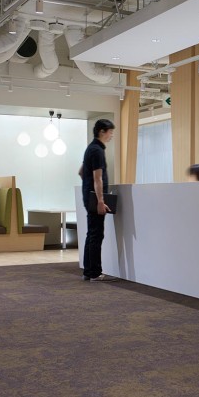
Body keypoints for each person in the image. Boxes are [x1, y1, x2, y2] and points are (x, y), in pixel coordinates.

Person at [81, 118, 117, 282]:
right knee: (96, 234)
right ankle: (94, 272)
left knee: (92, 234)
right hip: (95, 198)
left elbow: (81, 172)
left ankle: (89, 271)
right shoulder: (97, 150)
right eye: (110, 132)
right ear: (102, 131)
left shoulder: (91, 148)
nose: (111, 135)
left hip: (88, 196)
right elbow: (98, 178)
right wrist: (100, 201)